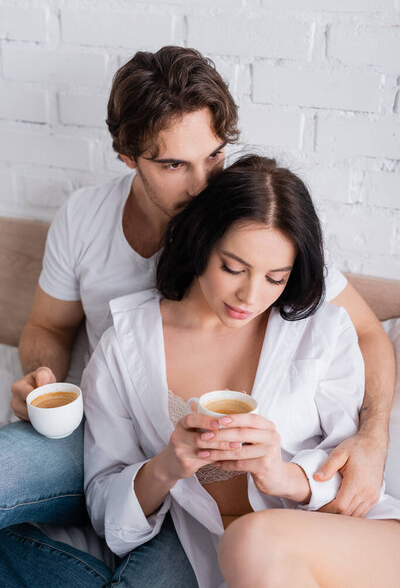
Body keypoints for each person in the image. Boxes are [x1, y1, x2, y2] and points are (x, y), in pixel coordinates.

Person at [0, 46, 394, 577]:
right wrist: (37, 379)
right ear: (127, 156)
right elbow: (47, 325)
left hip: (209, 496)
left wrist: (373, 437)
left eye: (213, 156)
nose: (203, 184)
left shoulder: (251, 229)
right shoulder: (86, 222)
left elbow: (366, 332)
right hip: (109, 438)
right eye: (173, 164)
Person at [82, 155, 400, 588]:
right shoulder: (125, 345)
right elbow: (104, 507)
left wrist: (282, 475)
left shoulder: (320, 332)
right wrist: (166, 466)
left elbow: (352, 489)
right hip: (222, 560)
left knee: (251, 539)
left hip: (352, 546)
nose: (250, 296)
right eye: (233, 268)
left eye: (275, 278)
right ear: (200, 242)